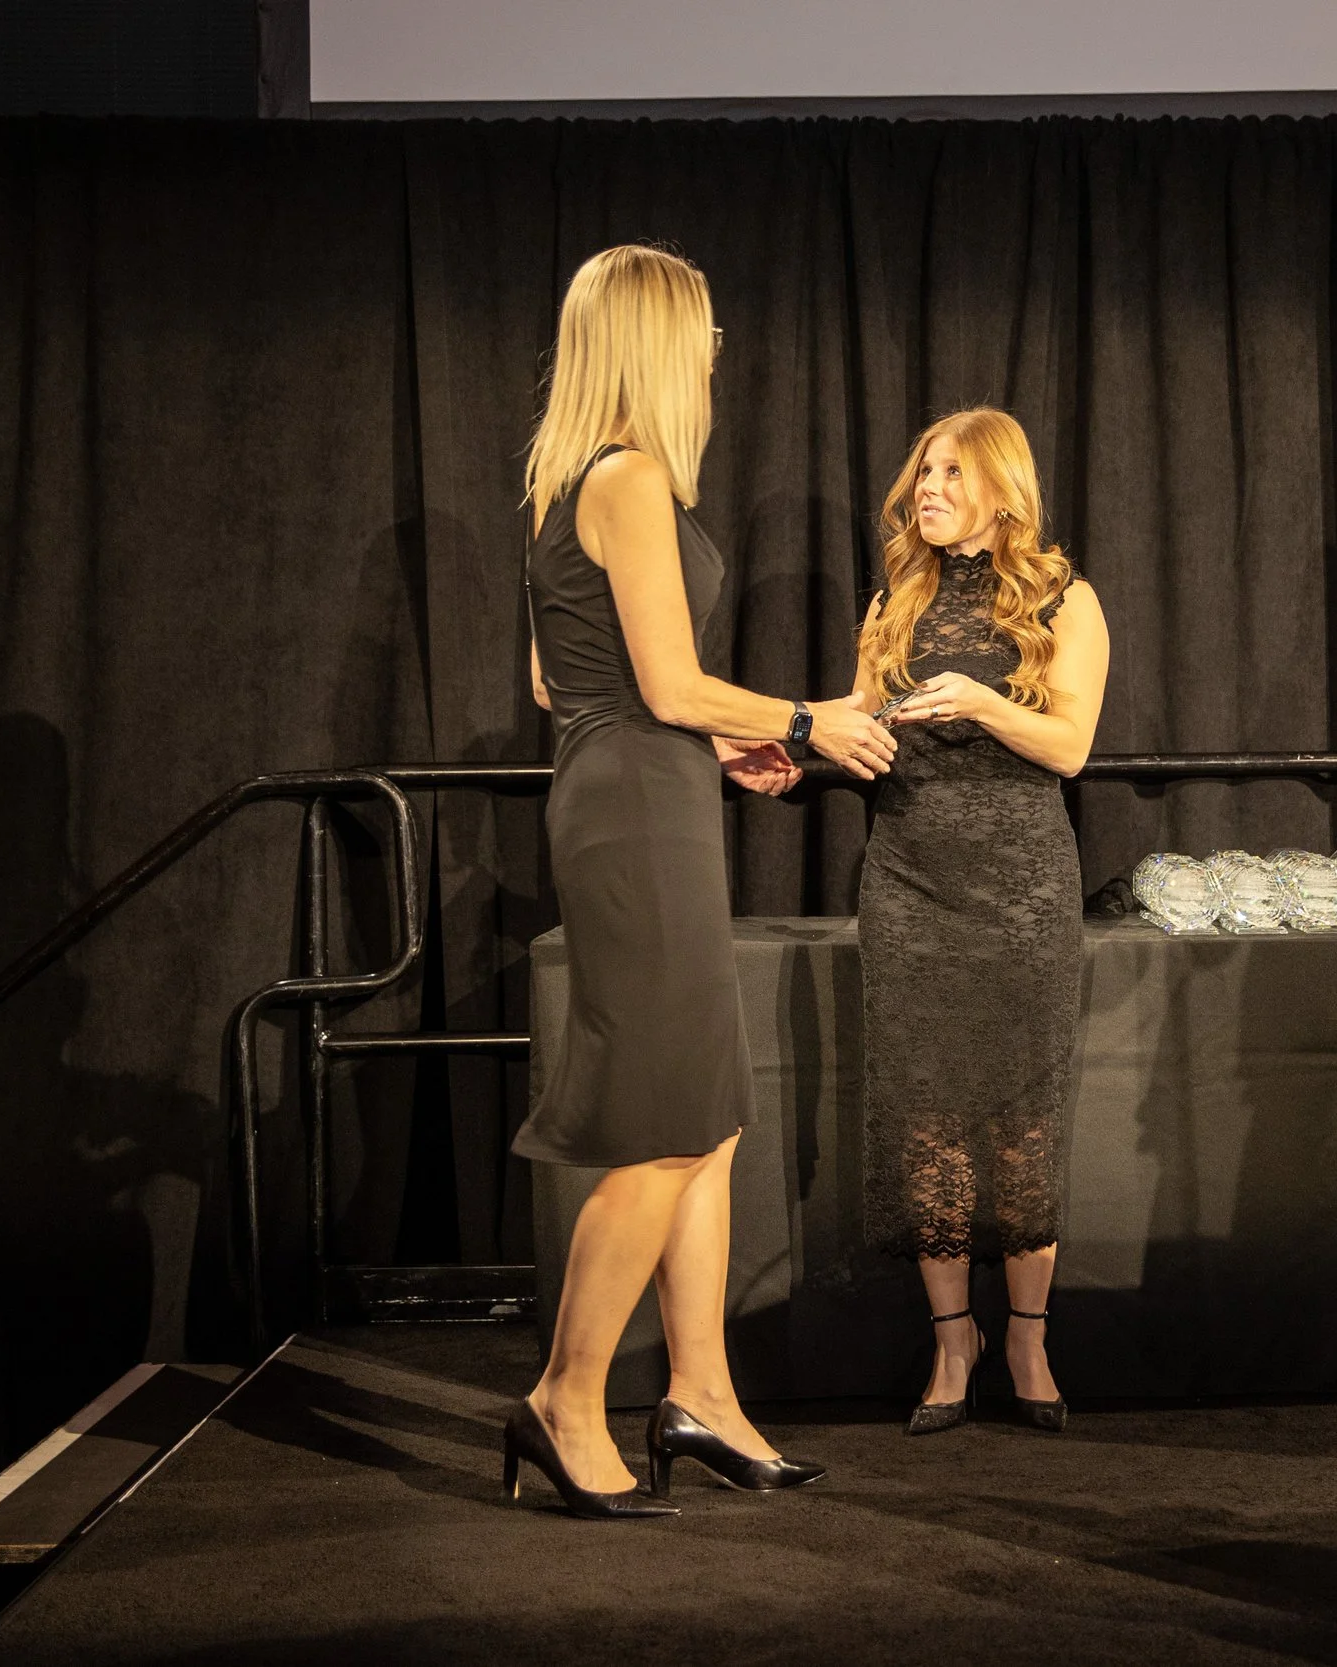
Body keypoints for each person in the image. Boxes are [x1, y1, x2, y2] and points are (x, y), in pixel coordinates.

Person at [501, 244, 897, 1518]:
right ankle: (564, 1399)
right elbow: (663, 685)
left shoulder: (575, 480)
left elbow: (563, 680)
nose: (718, 352)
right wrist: (804, 718)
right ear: (659, 341)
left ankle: (702, 1394)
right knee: (671, 1122)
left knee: (710, 1116)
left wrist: (722, 748)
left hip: (639, 791)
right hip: (632, 810)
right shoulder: (623, 477)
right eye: (707, 331)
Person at [851, 408, 1111, 1435]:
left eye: (952, 472)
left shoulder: (1062, 597)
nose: (928, 487)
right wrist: (802, 738)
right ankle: (952, 1340)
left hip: (1022, 889)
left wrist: (984, 702)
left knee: (1022, 1116)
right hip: (909, 881)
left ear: (1003, 488)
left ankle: (1028, 1339)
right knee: (928, 1117)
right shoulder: (896, 598)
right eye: (924, 470)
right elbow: (864, 719)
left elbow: (1071, 746)